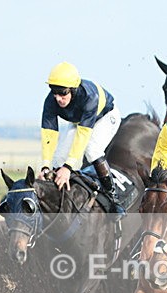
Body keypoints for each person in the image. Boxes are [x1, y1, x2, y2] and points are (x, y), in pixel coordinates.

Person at [40, 61, 124, 213]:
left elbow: (83, 135)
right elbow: (49, 134)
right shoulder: (50, 101)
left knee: (92, 150)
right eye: (54, 92)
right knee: (58, 158)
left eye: (63, 92)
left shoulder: (89, 97)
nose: (58, 98)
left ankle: (113, 198)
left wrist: (68, 167)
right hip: (79, 121)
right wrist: (46, 165)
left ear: (73, 89)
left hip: (106, 117)